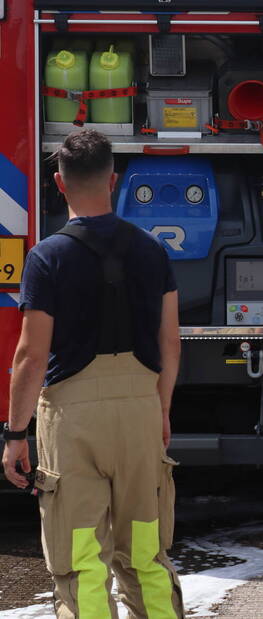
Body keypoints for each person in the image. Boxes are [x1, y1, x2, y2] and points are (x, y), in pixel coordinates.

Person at [2, 130, 184, 617]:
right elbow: (171, 342)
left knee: (83, 561)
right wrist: (159, 410)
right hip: (141, 412)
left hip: (74, 419)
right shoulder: (153, 251)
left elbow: (30, 357)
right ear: (115, 180)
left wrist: (16, 434)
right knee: (146, 553)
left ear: (59, 183)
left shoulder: (46, 258)